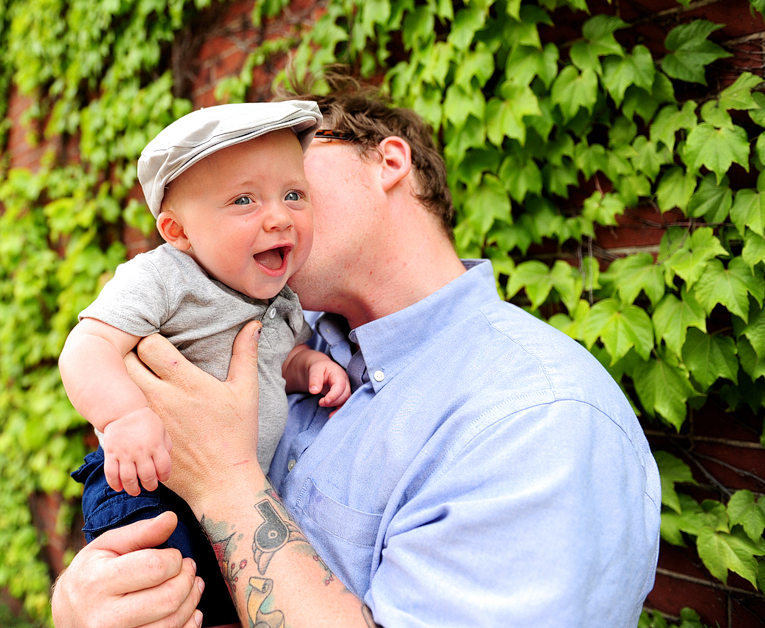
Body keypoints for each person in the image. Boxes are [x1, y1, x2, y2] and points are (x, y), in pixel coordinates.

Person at [52, 74, 661, 628]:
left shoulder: (537, 416)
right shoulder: (274, 335)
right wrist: (84, 605)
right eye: (243, 191)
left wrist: (226, 482)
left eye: (294, 176)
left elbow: (223, 491)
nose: (277, 210)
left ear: (389, 161)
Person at [57, 100, 351, 626]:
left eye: (293, 194)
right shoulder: (163, 277)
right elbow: (87, 348)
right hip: (147, 482)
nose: (279, 215)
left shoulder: (283, 298)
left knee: (229, 607)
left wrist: (305, 366)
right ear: (178, 231)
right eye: (243, 200)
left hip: (229, 500)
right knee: (160, 598)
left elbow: (271, 363)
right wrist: (123, 416)